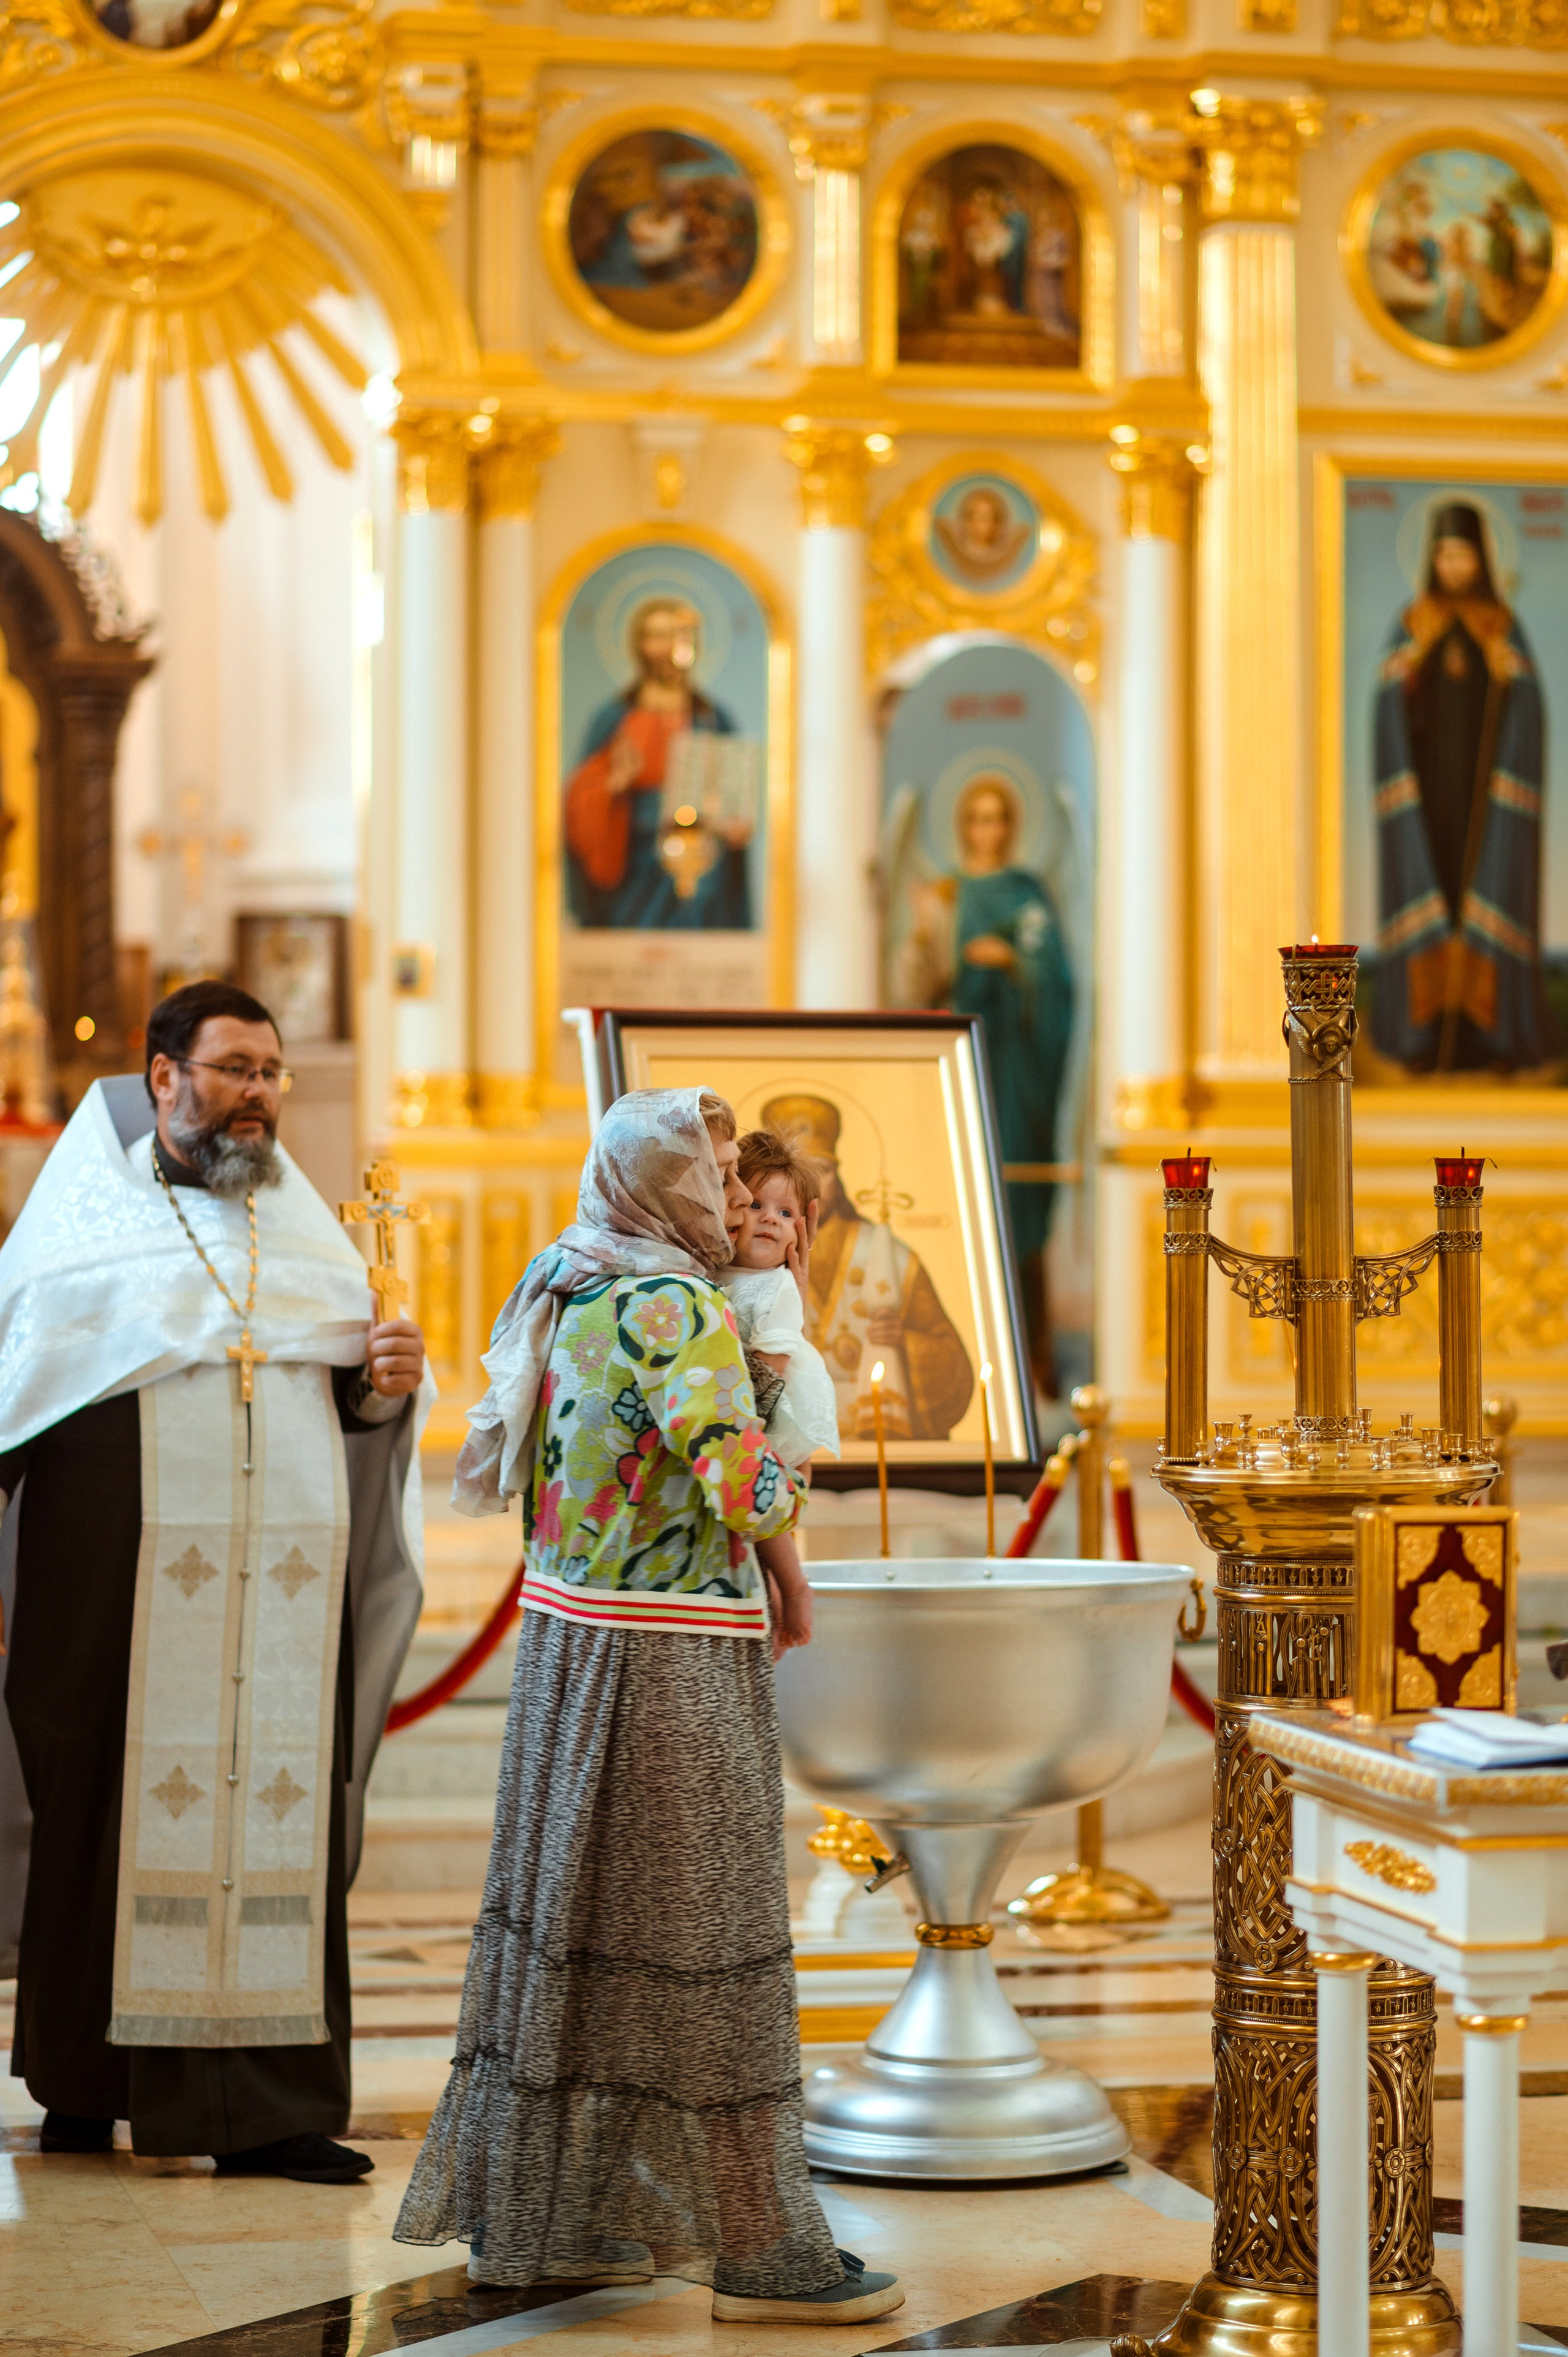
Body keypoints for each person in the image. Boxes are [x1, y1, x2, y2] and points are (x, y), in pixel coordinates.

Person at [394, 1087, 903, 2328]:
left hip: (571, 1651)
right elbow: (733, 1467)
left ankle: (546, 2226)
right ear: (662, 1182)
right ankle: (762, 2246)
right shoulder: (673, 1301)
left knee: (576, 1929)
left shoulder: (570, 1274)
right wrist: (788, 1567)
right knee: (714, 1942)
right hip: (670, 1658)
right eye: (718, 1174)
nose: (735, 1198)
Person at [0, 980, 432, 2179]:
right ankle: (89, 2082)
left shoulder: (301, 1232)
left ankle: (271, 2110)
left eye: (272, 1073)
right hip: (108, 1610)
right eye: (234, 1068)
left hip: (279, 1594)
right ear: (162, 1079)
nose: (257, 1095)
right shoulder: (84, 1234)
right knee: (101, 1820)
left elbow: (346, 1378)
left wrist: (381, 1375)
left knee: (272, 1816)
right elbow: (20, 1388)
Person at [892, 772, 1074, 1395]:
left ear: (1012, 826)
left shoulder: (1028, 895)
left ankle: (1032, 1362)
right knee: (959, 1199)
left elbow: (1062, 985)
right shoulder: (943, 894)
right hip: (963, 1064)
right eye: (976, 818)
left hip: (1020, 1070)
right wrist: (922, 932)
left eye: (997, 818)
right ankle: (956, 1365)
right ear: (961, 825)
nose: (986, 831)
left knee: (1018, 1201)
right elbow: (913, 990)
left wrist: (1015, 964)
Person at [1372, 501, 1553, 1073]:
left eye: (1464, 554)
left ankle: (1490, 1034)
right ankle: (1425, 1032)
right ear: (1432, 558)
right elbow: (1387, 707)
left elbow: (1528, 708)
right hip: (1429, 804)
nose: (1453, 565)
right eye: (1445, 554)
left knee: (1481, 895)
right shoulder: (1412, 624)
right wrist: (1411, 672)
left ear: (1481, 558)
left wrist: (1511, 678)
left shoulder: (1502, 626)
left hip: (1487, 801)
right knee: (1437, 897)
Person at [759, 1091, 973, 1442]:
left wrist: (903, 1342)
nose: (811, 1188)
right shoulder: (752, 1256)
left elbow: (954, 1365)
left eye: (822, 1171)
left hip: (875, 1440)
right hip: (784, 1443)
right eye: (799, 1174)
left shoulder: (892, 1257)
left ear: (839, 1176)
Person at [564, 598, 752, 932]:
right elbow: (581, 797)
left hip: (698, 853)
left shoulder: (710, 718)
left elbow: (732, 790)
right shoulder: (616, 718)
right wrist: (613, 785)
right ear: (640, 645)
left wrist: (734, 823)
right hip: (635, 852)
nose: (665, 647)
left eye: (675, 636)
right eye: (656, 636)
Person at [718, 1127, 840, 1473]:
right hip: (728, 1402)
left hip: (770, 1413)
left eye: (786, 1213)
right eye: (757, 1205)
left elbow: (774, 1357)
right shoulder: (710, 1271)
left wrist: (746, 1413)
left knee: (775, 1499)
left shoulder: (779, 1286)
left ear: (801, 1229)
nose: (771, 1218)